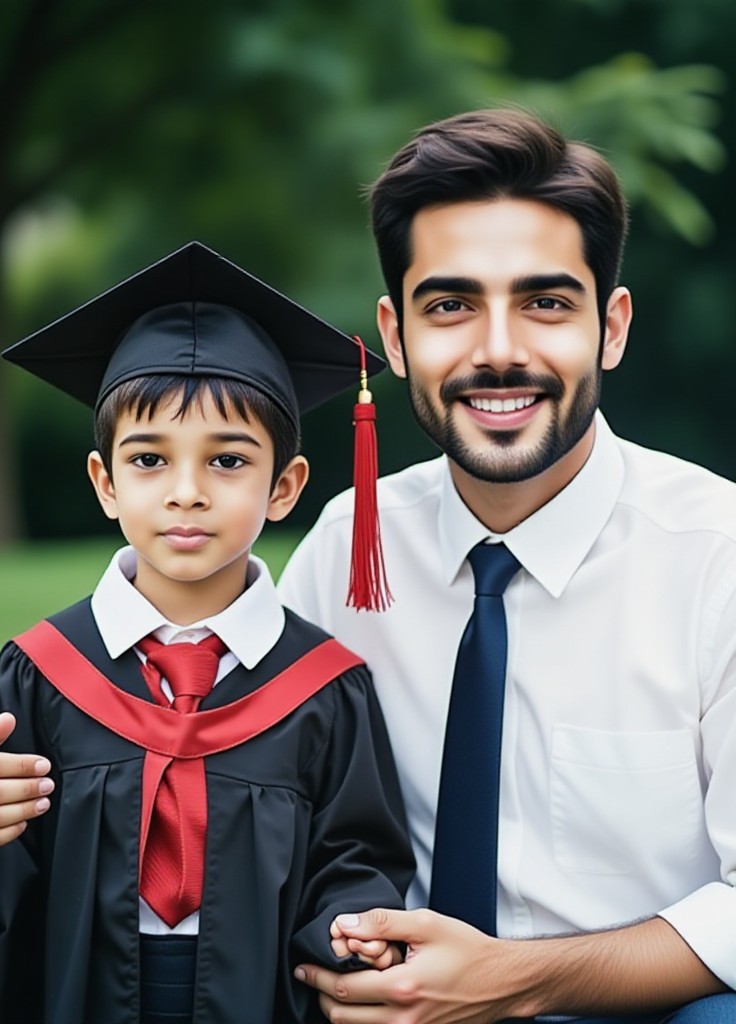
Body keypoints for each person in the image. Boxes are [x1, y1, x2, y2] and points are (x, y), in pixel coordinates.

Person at [276, 110, 736, 1022]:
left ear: (610, 328)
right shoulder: (346, 548)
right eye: (450, 306)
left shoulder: (716, 556)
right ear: (394, 335)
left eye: (545, 303)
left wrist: (510, 983)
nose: (497, 351)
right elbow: (223, 781)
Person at [0, 241, 414, 1024]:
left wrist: (354, 932)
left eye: (227, 461)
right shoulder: (38, 674)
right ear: (104, 483)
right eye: (148, 459)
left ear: (284, 488)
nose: (186, 493)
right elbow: (7, 888)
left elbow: (356, 856)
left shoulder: (327, 687)